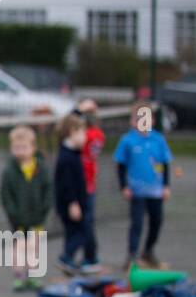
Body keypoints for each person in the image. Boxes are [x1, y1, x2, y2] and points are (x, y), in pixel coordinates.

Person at [115, 100, 174, 271]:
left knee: (157, 221)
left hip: (155, 190)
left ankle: (148, 252)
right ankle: (131, 257)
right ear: (132, 121)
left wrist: (166, 186)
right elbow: (121, 165)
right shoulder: (127, 141)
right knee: (137, 223)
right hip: (137, 191)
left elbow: (165, 164)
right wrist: (124, 186)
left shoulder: (159, 140)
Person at [0, 124, 52, 291]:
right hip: (18, 220)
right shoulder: (9, 171)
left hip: (36, 218)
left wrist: (43, 211)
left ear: (33, 147)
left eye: (24, 147)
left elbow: (48, 191)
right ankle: (19, 276)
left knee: (34, 247)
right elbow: (5, 195)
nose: (20, 150)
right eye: (16, 147)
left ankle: (33, 276)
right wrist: (14, 214)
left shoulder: (41, 168)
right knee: (19, 247)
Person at [53, 113, 91, 275]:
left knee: (72, 233)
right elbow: (67, 184)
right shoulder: (66, 157)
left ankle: (68, 262)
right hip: (70, 204)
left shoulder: (73, 154)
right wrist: (73, 203)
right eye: (82, 133)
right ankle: (65, 257)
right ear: (72, 132)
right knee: (82, 233)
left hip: (74, 202)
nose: (85, 137)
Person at [74, 98, 106, 273]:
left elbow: (69, 128)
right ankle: (89, 256)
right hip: (86, 185)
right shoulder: (96, 134)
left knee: (85, 223)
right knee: (85, 222)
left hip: (86, 186)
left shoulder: (91, 136)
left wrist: (79, 109)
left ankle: (91, 257)